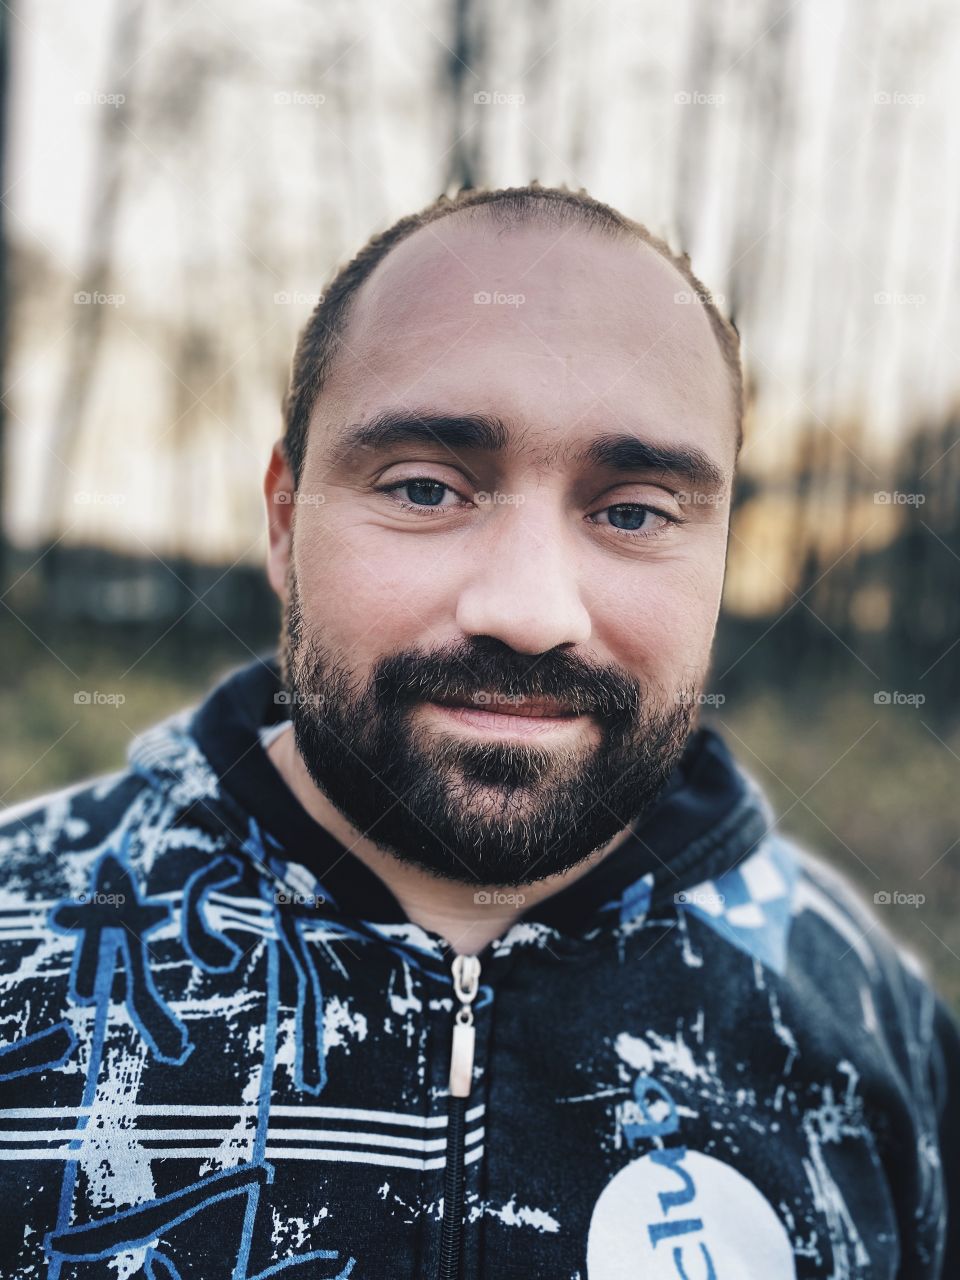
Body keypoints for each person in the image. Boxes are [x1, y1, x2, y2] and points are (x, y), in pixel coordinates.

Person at [0, 183, 955, 1280]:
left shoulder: (870, 1023)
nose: (529, 607)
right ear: (283, 517)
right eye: (425, 488)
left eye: (633, 510)